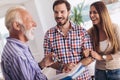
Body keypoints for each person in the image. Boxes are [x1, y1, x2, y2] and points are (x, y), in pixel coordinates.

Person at [43, 0, 94, 80]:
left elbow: (91, 57)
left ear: (68, 12)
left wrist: (75, 68)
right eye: (56, 12)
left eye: (62, 12)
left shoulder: (81, 31)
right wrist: (63, 66)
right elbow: (47, 61)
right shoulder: (48, 35)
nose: (59, 15)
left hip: (84, 78)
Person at [1, 6, 55, 80]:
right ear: (17, 26)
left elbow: (30, 75)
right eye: (30, 21)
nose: (35, 24)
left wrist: (43, 64)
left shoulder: (19, 47)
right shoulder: (17, 55)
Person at [86, 1, 120, 80]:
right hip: (99, 72)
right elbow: (89, 51)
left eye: (95, 12)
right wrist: (88, 53)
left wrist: (102, 57)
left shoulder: (115, 28)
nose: (91, 15)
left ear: (102, 13)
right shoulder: (90, 32)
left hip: (116, 70)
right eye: (90, 13)